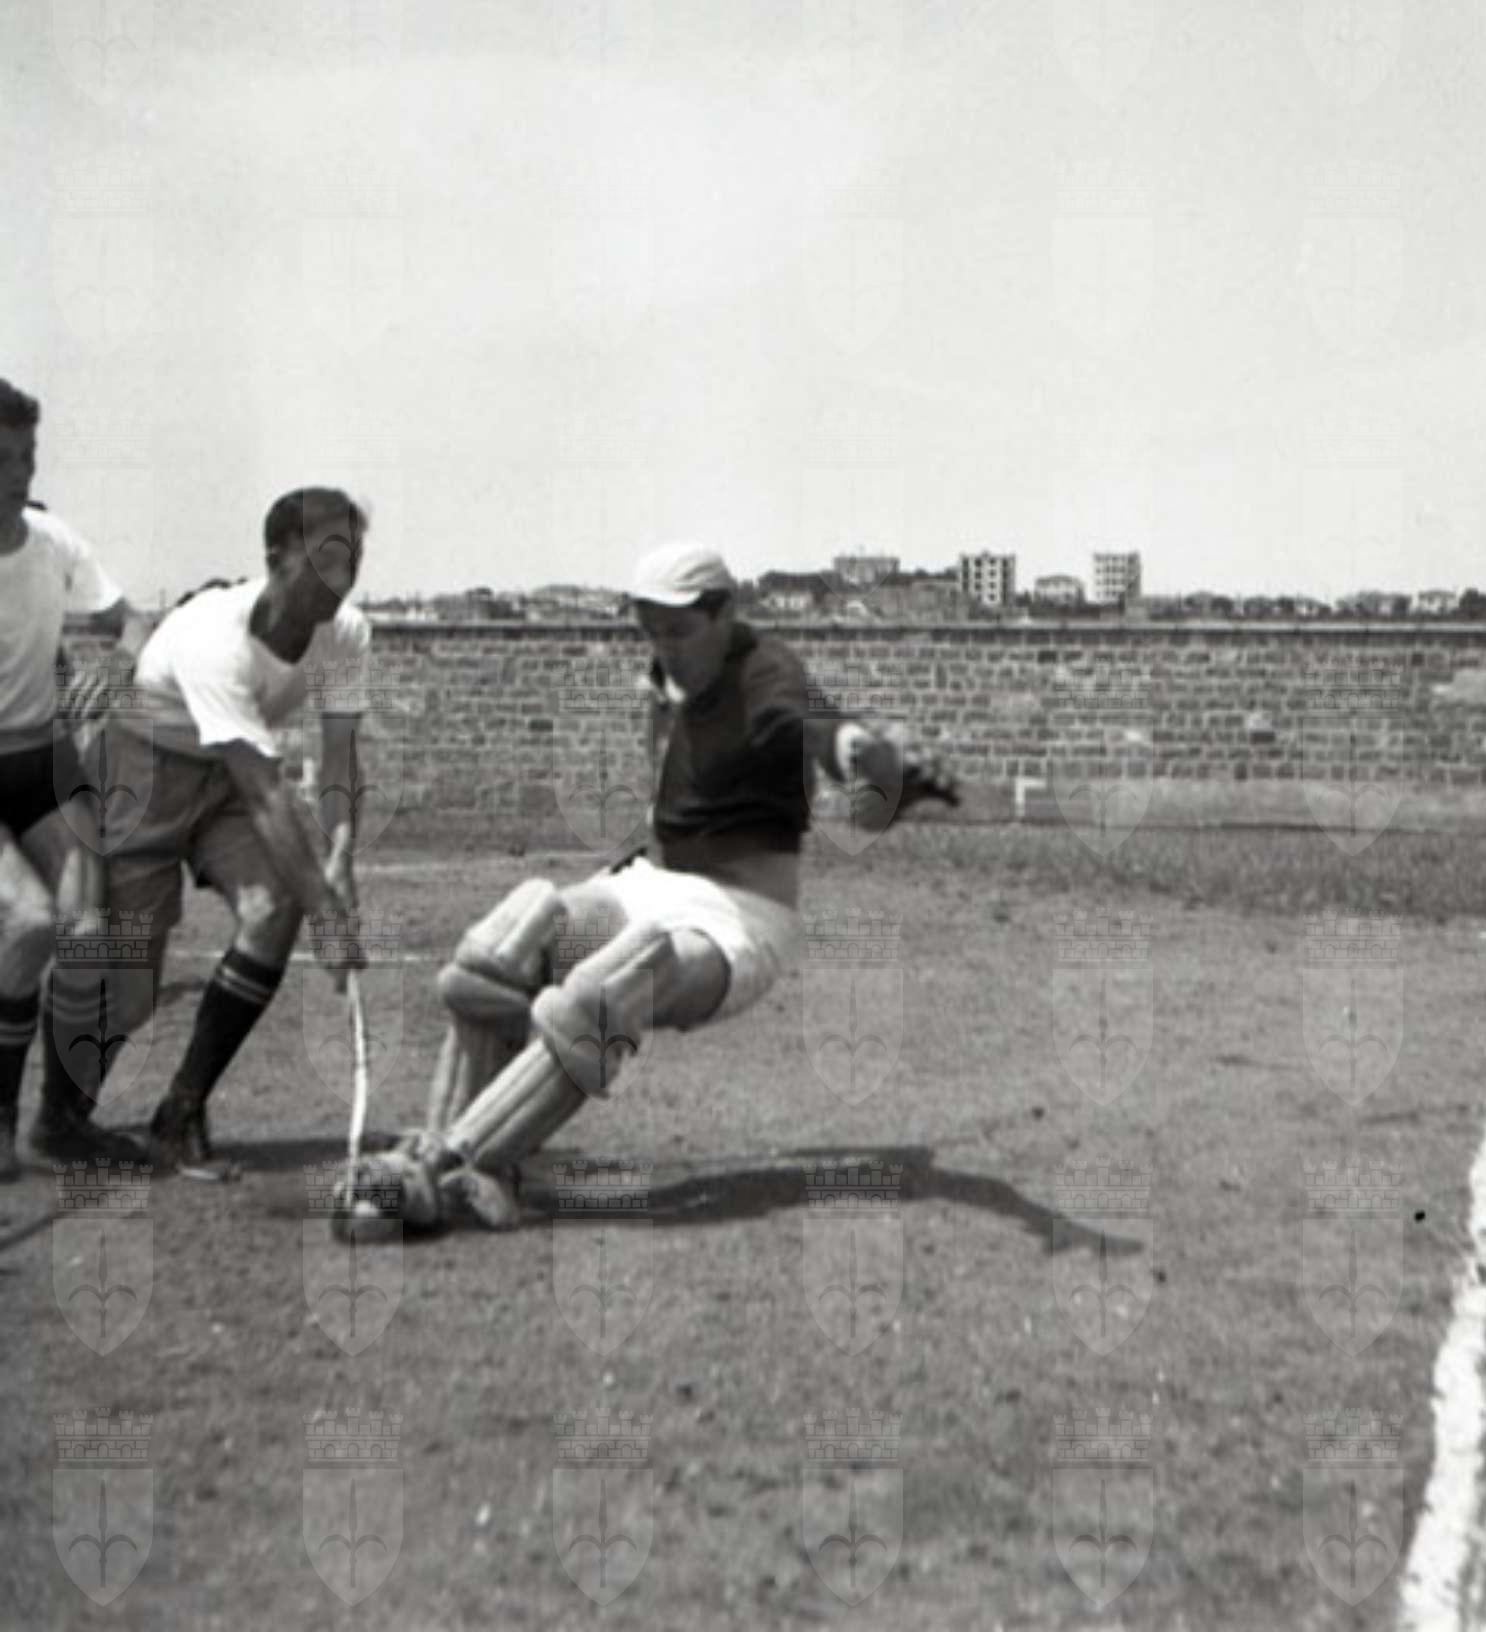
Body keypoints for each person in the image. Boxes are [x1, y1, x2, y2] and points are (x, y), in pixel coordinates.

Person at [346, 540, 917, 1235]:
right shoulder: (675, 667)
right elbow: (670, 696)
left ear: (725, 615)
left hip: (737, 919)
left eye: (679, 629)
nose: (665, 647)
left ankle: (462, 1163)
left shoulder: (768, 673)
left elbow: (827, 730)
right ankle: (440, 1150)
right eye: (652, 630)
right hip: (652, 883)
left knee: (608, 989)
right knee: (500, 946)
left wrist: (868, 759)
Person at [36, 487, 371, 1173]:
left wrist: (340, 856)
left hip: (223, 780)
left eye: (353, 558)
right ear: (277, 559)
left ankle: (180, 1111)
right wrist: (329, 915)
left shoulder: (347, 634)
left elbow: (339, 757)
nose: (343, 576)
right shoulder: (215, 637)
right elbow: (266, 790)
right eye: (327, 557)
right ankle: (58, 1121)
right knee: (131, 994)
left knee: (274, 905)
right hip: (141, 772)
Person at [0, 380, 134, 1177]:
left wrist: (114, 667)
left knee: (88, 935)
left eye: (27, 457)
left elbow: (132, 622)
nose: (17, 474)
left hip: (42, 766)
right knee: (25, 923)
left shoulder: (54, 544)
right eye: (1, 459)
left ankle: (57, 1123)